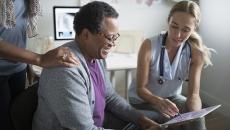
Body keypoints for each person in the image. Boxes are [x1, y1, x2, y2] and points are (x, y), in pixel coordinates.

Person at [32, 1, 161, 130]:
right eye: (109, 38)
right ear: (86, 35)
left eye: (115, 37)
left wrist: (141, 120)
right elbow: (85, 129)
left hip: (99, 123)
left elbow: (110, 98)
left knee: (157, 118)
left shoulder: (96, 56)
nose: (113, 44)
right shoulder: (65, 70)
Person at [128, 1, 213, 130]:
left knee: (197, 118)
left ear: (194, 28)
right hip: (143, 101)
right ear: (168, 21)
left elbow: (194, 95)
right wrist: (159, 102)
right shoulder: (148, 45)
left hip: (172, 98)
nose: (178, 35)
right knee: (168, 119)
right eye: (174, 26)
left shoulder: (196, 53)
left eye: (185, 30)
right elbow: (141, 89)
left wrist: (195, 114)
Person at [0, 0, 79, 129]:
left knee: (17, 116)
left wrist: (27, 63)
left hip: (18, 68)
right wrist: (38, 59)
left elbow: (15, 34)